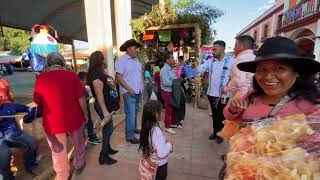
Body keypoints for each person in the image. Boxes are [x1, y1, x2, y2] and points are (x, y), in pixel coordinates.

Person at [224, 36, 320, 128]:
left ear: (297, 72)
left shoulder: (313, 108)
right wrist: (233, 109)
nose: (268, 77)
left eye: (279, 68)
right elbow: (229, 116)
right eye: (261, 69)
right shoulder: (252, 95)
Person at [33, 52, 87, 179]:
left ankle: (63, 174)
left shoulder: (41, 78)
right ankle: (79, 165)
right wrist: (85, 114)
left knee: (58, 150)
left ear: (48, 63)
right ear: (62, 62)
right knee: (78, 142)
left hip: (52, 121)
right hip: (74, 117)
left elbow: (38, 101)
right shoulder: (72, 75)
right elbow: (81, 98)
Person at [192, 40, 234, 144]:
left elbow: (235, 77)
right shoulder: (211, 61)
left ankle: (221, 134)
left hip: (224, 95)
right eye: (212, 49)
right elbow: (200, 69)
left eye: (215, 49)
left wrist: (229, 87)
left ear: (222, 49)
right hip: (212, 93)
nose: (212, 52)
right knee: (215, 115)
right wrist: (195, 67)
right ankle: (215, 132)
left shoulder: (232, 61)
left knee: (221, 115)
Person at [87, 51, 120, 165]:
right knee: (108, 128)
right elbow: (99, 94)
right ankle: (103, 156)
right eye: (103, 58)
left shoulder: (99, 72)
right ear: (99, 60)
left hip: (106, 104)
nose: (105, 60)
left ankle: (107, 148)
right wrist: (105, 111)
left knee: (108, 128)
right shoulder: (95, 75)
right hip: (103, 106)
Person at [0, 102, 42, 180]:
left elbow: (27, 108)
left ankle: (29, 165)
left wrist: (35, 112)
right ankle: (7, 177)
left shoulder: (10, 106)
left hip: (14, 135)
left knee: (32, 142)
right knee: (4, 155)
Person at [115, 39, 145, 144]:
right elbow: (118, 77)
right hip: (129, 92)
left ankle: (133, 129)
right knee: (131, 114)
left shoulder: (137, 61)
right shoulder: (121, 60)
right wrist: (129, 89)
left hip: (138, 91)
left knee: (135, 112)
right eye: (134, 48)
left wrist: (143, 86)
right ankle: (130, 136)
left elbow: (140, 74)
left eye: (137, 48)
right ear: (128, 49)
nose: (136, 50)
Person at [138, 100, 173, 180]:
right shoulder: (156, 131)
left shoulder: (146, 126)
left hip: (150, 162)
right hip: (159, 166)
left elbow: (154, 143)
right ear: (156, 114)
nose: (163, 113)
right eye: (162, 111)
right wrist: (170, 143)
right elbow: (162, 153)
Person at [77, 72, 101, 145]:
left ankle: (87, 138)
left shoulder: (83, 86)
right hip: (83, 110)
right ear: (83, 79)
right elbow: (81, 100)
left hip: (85, 109)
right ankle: (90, 138)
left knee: (88, 124)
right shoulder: (80, 87)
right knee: (87, 124)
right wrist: (89, 98)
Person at [160, 54, 177, 134]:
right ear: (167, 60)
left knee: (173, 108)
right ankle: (167, 126)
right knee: (168, 109)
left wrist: (177, 80)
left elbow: (174, 78)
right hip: (166, 92)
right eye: (172, 58)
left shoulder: (170, 68)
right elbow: (166, 82)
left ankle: (172, 123)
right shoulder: (164, 70)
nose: (174, 60)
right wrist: (175, 83)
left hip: (172, 91)